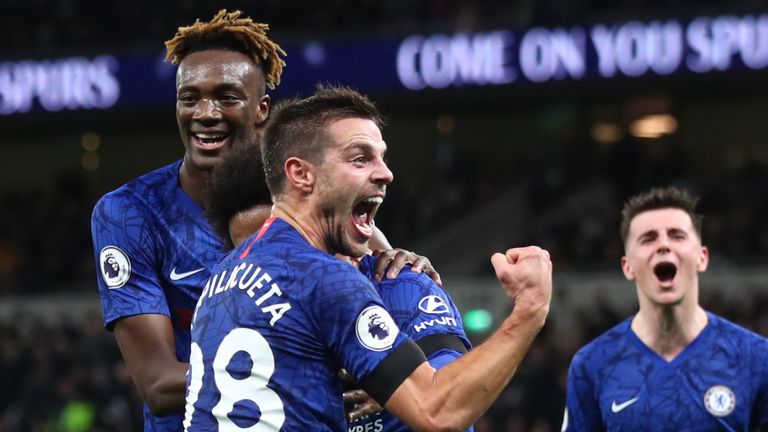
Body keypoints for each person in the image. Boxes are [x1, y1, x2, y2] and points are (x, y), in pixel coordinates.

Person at [91, 10, 432, 431]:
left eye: (227, 97)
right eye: (190, 98)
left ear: (261, 109)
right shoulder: (129, 214)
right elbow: (158, 385)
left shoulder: (306, 189)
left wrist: (406, 270)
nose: (206, 113)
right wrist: (305, 371)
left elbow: (390, 304)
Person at [185, 85, 552, 430]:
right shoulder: (325, 277)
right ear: (300, 174)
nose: (386, 173)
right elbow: (437, 410)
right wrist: (529, 309)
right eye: (359, 158)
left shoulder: (221, 279)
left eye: (382, 157)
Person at [203, 145, 475, 431]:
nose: (266, 259)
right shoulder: (239, 318)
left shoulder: (402, 285)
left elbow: (448, 377)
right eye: (251, 252)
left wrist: (400, 383)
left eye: (279, 242)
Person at [562, 187, 768, 431]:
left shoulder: (756, 358)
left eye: (677, 235)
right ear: (627, 267)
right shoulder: (592, 364)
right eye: (649, 238)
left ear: (702, 258)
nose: (663, 245)